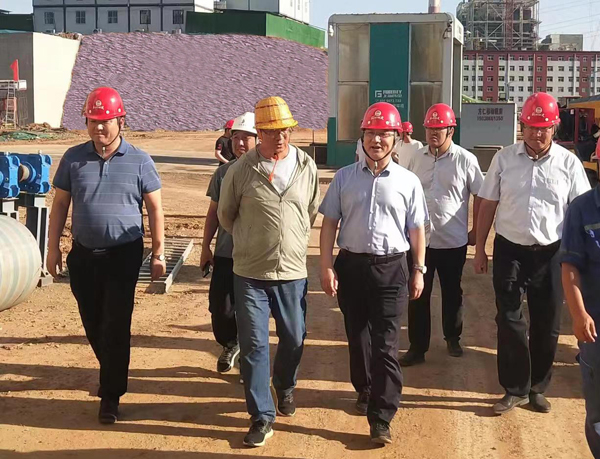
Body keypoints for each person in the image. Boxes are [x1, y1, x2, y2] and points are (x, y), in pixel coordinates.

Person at [47, 87, 166, 424]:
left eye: (105, 121)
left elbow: (155, 209)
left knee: (115, 323)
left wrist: (158, 252)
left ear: (121, 121)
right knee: (93, 322)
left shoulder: (140, 160)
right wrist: (53, 248)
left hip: (123, 255)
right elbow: (60, 205)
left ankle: (110, 395)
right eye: (92, 121)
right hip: (83, 255)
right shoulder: (73, 158)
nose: (99, 127)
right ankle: (112, 369)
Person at [473, 92, 590, 415]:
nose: (537, 134)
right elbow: (487, 204)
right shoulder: (504, 159)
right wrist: (480, 248)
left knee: (547, 321)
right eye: (531, 127)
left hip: (552, 252)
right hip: (510, 249)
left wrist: (581, 257)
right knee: (509, 319)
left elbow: (580, 212)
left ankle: (537, 387)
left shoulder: (568, 164)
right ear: (521, 126)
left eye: (544, 128)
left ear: (554, 128)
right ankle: (514, 388)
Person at [319, 102, 428, 445]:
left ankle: (382, 416)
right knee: (358, 337)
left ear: (396, 139)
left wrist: (419, 269)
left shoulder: (408, 182)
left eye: (384, 134)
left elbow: (417, 230)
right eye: (371, 133)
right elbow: (329, 223)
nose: (376, 140)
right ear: (362, 136)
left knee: (386, 344)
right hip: (351, 266)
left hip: (392, 268)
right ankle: (365, 389)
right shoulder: (344, 178)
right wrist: (325, 265)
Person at [218, 96, 320, 447]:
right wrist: (253, 239)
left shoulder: (306, 166)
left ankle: (285, 385)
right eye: (272, 131)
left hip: (292, 272)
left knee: (294, 338)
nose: (280, 138)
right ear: (259, 132)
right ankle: (261, 416)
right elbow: (226, 216)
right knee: (254, 345)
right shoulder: (240, 170)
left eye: (285, 131)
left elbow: (310, 210)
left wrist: (291, 238)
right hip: (250, 273)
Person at [399, 104, 484, 366]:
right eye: (430, 128)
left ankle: (453, 337)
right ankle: (417, 347)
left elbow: (481, 195)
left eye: (439, 128)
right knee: (418, 293)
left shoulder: (465, 160)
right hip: (419, 241)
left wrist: (476, 231)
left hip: (452, 241)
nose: (433, 133)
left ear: (451, 130)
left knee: (452, 292)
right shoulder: (416, 157)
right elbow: (404, 191)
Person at [200, 112, 257, 374]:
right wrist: (205, 247)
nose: (240, 143)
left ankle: (249, 360)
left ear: (258, 139)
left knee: (251, 311)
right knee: (220, 308)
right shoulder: (222, 173)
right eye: (236, 138)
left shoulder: (266, 172)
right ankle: (231, 344)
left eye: (247, 138)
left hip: (255, 256)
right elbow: (213, 212)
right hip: (226, 252)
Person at [560, 138, 600, 459]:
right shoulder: (582, 208)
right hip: (596, 327)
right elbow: (570, 266)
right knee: (599, 414)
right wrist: (578, 314)